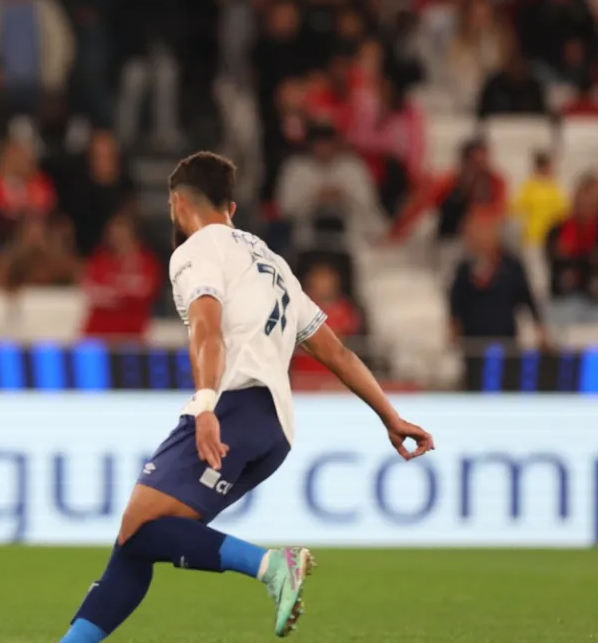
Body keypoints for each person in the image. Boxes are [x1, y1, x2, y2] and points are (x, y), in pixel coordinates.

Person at [56, 152, 434, 643]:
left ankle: (271, 564)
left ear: (176, 202)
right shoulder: (271, 262)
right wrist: (390, 415)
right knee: (137, 542)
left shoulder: (196, 250)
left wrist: (207, 406)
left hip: (234, 405)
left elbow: (207, 330)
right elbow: (335, 351)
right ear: (231, 206)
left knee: (140, 528)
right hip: (273, 429)